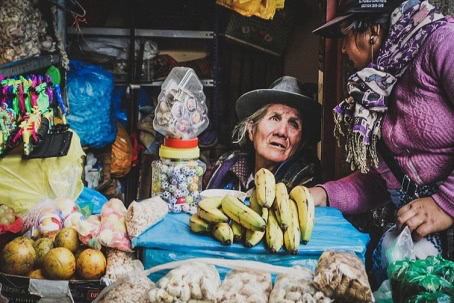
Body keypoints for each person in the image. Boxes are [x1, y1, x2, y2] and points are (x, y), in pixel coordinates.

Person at [312, 0, 454, 286]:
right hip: (422, 235)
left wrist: (446, 203)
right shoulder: (377, 88)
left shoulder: (441, 42)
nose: (341, 49)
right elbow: (382, 183)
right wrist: (323, 195)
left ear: (372, 32)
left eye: (345, 36)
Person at [203, 76, 321, 192]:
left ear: (300, 141)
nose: (281, 132)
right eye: (274, 118)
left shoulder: (306, 182)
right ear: (251, 129)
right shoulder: (226, 165)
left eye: (294, 124)